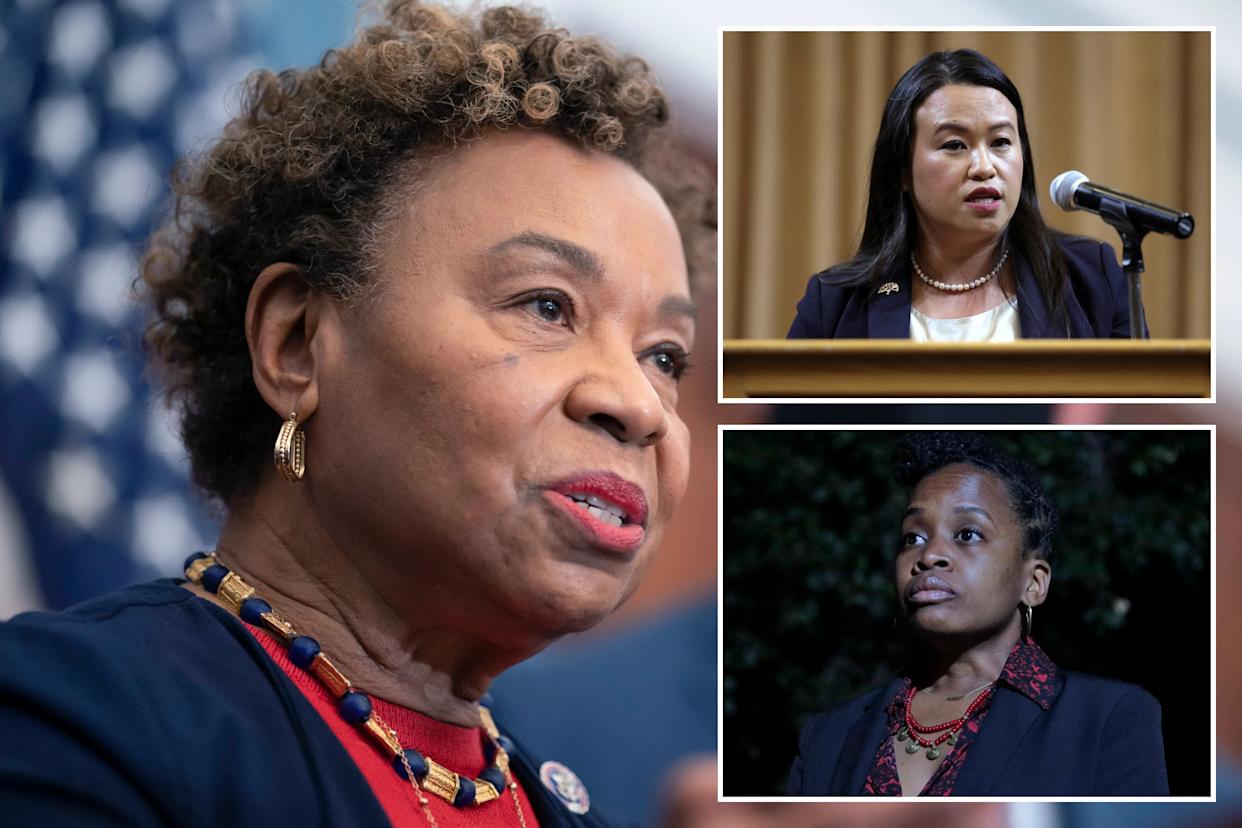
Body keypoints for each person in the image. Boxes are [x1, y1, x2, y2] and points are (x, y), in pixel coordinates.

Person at [0, 2, 710, 826]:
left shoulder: (559, 803)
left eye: (666, 358)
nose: (636, 405)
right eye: (547, 306)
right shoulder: (70, 719)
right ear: (296, 343)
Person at [788, 432, 1168, 796]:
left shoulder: (1106, 719)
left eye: (967, 534)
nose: (929, 555)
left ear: (1033, 583)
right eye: (913, 537)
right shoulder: (829, 736)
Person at [786, 49, 1136, 340]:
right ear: (902, 171)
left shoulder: (1090, 278)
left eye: (1000, 142)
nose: (984, 167)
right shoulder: (835, 303)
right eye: (954, 145)